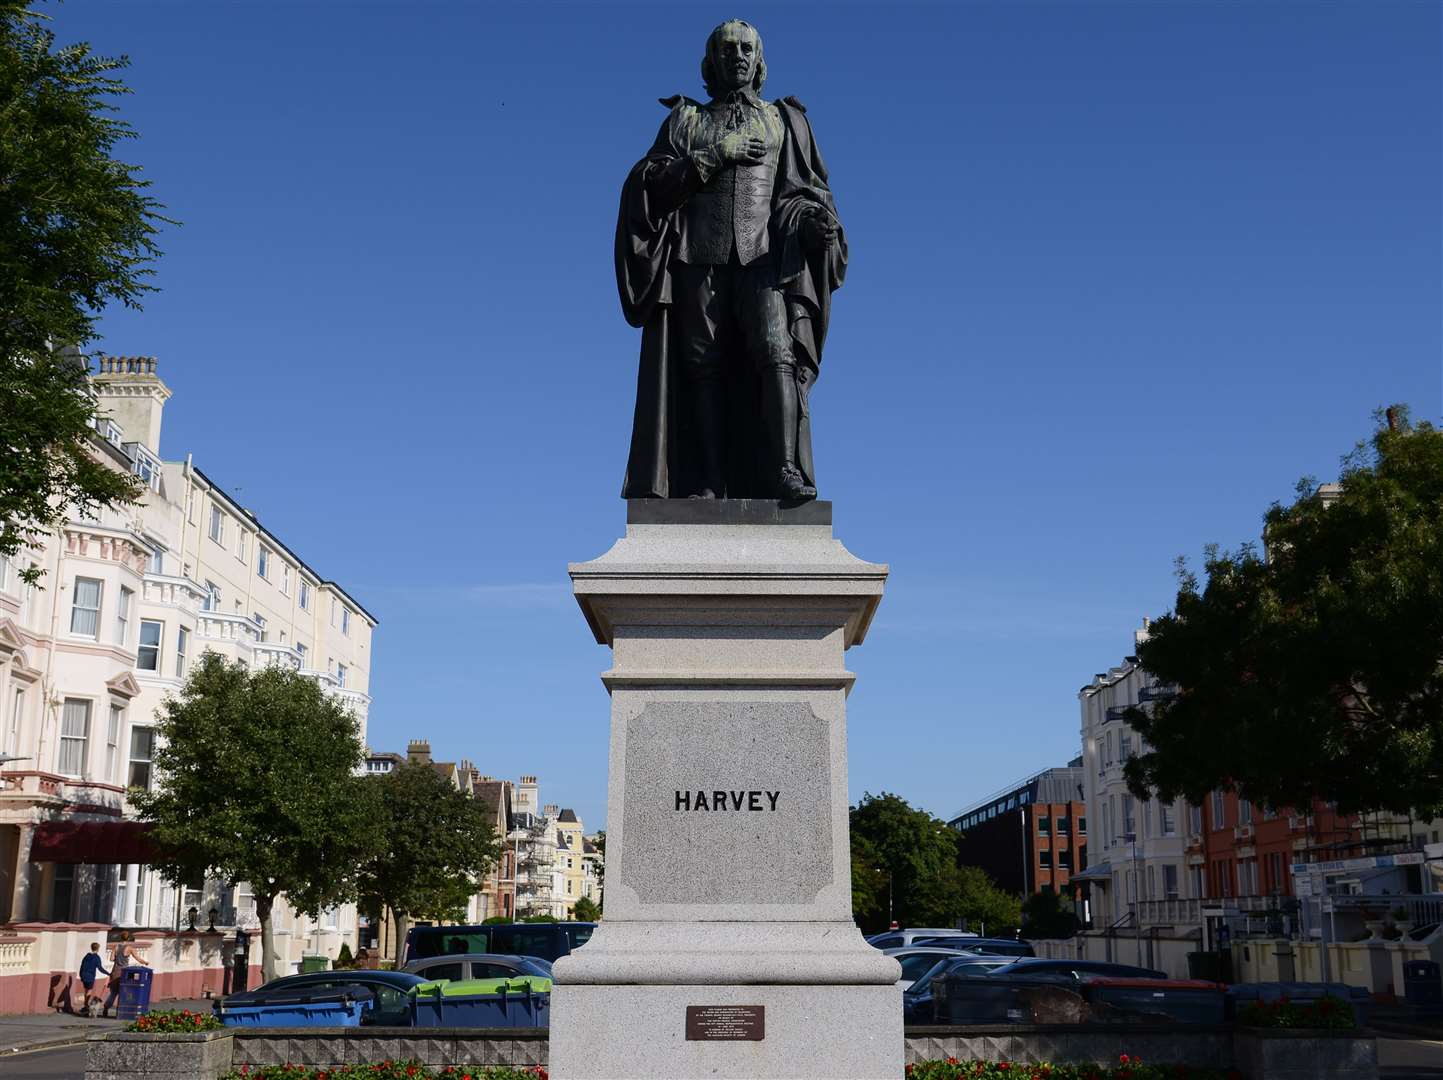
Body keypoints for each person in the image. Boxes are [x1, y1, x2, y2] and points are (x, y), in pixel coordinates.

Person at [618, 19, 846, 501]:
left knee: (776, 351)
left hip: (763, 259)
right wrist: (714, 154)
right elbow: (651, 185)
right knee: (703, 365)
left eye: (746, 48)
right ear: (711, 62)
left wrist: (811, 223)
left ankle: (784, 470)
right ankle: (707, 481)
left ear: (759, 61)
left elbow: (800, 193)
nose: (737, 56)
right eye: (727, 49)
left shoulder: (784, 120)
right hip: (697, 257)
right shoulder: (687, 121)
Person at [100, 929, 147, 1018]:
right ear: (128, 938)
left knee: (113, 992)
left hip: (115, 970)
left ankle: (106, 1007)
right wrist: (145, 962)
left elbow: (111, 959)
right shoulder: (129, 948)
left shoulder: (116, 946)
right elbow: (138, 958)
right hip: (125, 972)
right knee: (124, 991)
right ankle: (121, 1010)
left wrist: (118, 959)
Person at [78, 942, 109, 1017]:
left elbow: (82, 965)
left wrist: (80, 974)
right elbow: (100, 968)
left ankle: (85, 1005)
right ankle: (86, 1006)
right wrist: (108, 973)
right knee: (89, 991)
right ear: (98, 949)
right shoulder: (96, 957)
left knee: (86, 990)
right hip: (90, 976)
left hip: (83, 974)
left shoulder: (86, 956)